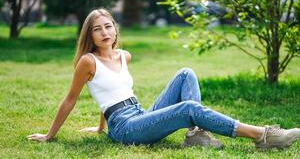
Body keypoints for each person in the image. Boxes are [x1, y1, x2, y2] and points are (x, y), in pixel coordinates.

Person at [27, 8, 300, 150]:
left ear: (115, 28)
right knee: (189, 108)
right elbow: (71, 99)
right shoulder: (88, 61)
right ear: (90, 35)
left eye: (108, 26)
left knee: (185, 73)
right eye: (97, 29)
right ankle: (262, 135)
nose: (104, 32)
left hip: (139, 113)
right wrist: (49, 136)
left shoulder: (124, 55)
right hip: (125, 128)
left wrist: (99, 128)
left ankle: (195, 135)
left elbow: (112, 91)